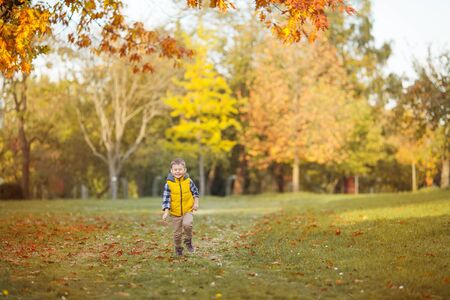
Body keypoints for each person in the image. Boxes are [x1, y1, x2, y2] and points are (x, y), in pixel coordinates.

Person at [162, 158, 200, 256]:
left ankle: (188, 241)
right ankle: (178, 248)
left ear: (184, 170)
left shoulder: (188, 181)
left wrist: (196, 203)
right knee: (177, 234)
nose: (178, 171)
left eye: (180, 169)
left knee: (188, 224)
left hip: (188, 209)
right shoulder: (168, 184)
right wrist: (166, 212)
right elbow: (166, 199)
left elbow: (195, 192)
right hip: (175, 213)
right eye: (175, 169)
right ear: (171, 171)